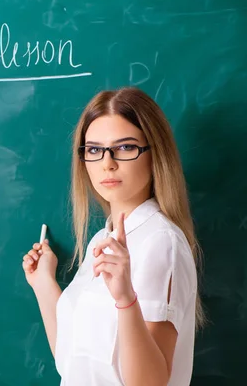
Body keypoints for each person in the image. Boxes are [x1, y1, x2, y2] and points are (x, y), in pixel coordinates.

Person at [22, 87, 205, 386]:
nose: (107, 162)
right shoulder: (101, 240)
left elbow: (151, 382)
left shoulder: (160, 242)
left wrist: (125, 299)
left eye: (125, 147)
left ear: (153, 154)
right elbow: (73, 361)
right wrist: (44, 284)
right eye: (94, 149)